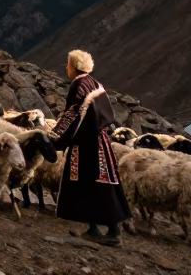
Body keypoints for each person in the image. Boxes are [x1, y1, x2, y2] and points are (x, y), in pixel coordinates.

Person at [49, 49, 131, 246]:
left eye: (67, 65)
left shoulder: (78, 85)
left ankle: (111, 232)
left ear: (75, 67)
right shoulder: (95, 83)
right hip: (101, 142)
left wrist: (54, 136)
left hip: (87, 145)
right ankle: (96, 229)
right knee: (97, 183)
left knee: (87, 182)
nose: (66, 68)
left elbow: (74, 114)